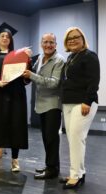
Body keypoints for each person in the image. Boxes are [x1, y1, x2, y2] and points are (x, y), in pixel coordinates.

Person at [0, 23, 31, 173]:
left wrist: (28, 60)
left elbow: (27, 76)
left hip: (16, 95)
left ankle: (15, 160)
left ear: (10, 39)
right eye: (2, 36)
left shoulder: (19, 55)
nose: (5, 38)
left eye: (7, 36)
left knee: (16, 125)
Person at [59, 27, 100, 189]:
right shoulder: (71, 57)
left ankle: (75, 175)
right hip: (68, 102)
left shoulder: (89, 56)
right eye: (69, 39)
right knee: (73, 140)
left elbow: (94, 80)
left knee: (77, 138)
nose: (73, 40)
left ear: (83, 39)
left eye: (76, 37)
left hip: (83, 102)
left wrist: (87, 101)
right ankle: (78, 172)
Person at [23, 33, 64, 179]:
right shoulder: (40, 58)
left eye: (51, 42)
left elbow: (54, 83)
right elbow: (31, 70)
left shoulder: (59, 60)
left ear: (56, 44)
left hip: (53, 104)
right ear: (41, 43)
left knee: (51, 138)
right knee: (47, 138)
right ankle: (50, 166)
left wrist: (31, 76)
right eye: (46, 42)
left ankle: (52, 169)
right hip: (41, 104)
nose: (48, 45)